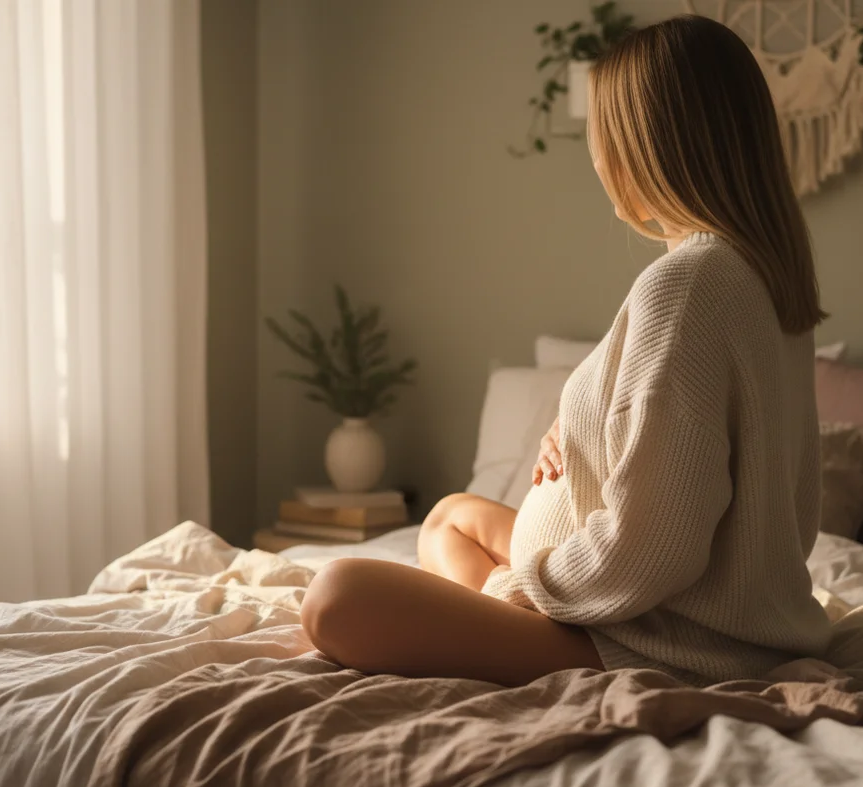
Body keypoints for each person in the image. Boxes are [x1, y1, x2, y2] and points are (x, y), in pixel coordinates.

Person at [300, 14, 832, 687]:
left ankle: (499, 619)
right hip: (648, 604)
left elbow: (652, 551)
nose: (597, 156)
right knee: (448, 518)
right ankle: (495, 614)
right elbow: (705, 453)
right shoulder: (765, 281)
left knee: (335, 598)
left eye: (601, 133)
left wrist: (516, 588)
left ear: (646, 147)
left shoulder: (688, 287)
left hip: (659, 636)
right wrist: (579, 429)